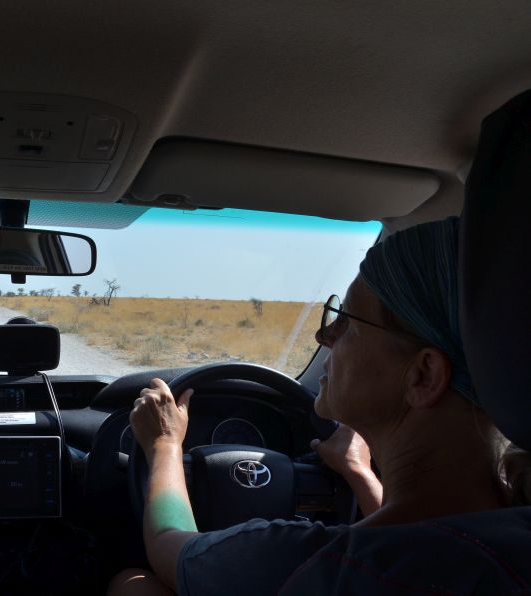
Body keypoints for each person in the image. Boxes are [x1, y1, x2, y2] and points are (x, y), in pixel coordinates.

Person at [107, 94, 531, 595]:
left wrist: (163, 446)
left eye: (345, 322)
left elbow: (165, 544)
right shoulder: (506, 528)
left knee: (133, 582)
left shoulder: (309, 566)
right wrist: (357, 472)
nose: (323, 336)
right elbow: (427, 535)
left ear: (423, 376)